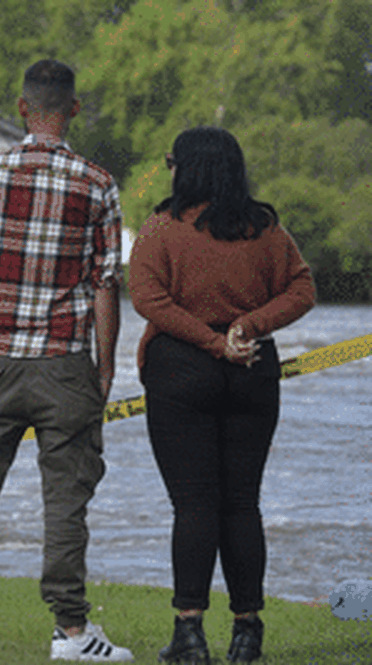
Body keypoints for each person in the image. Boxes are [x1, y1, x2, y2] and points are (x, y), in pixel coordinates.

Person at [0, 59, 134, 662]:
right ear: (74, 109)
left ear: (23, 108)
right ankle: (71, 632)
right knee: (67, 499)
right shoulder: (96, 183)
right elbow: (105, 285)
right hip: (66, 362)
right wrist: (105, 368)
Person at [128, 127, 316, 663]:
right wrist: (248, 327)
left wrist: (211, 342)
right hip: (253, 368)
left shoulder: (159, 230)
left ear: (184, 168)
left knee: (193, 505)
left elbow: (148, 299)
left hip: (181, 369)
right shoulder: (265, 230)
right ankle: (247, 629)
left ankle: (189, 632)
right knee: (242, 503)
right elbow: (303, 289)